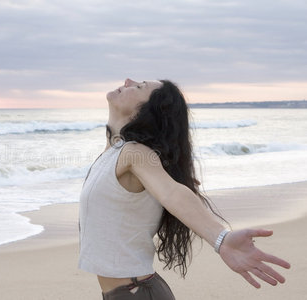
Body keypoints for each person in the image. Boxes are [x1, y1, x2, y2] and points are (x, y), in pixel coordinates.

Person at [78, 78, 291, 299]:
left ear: (147, 112)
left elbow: (172, 192)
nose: (128, 81)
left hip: (136, 293)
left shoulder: (135, 153)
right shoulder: (113, 153)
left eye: (139, 87)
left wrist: (221, 239)